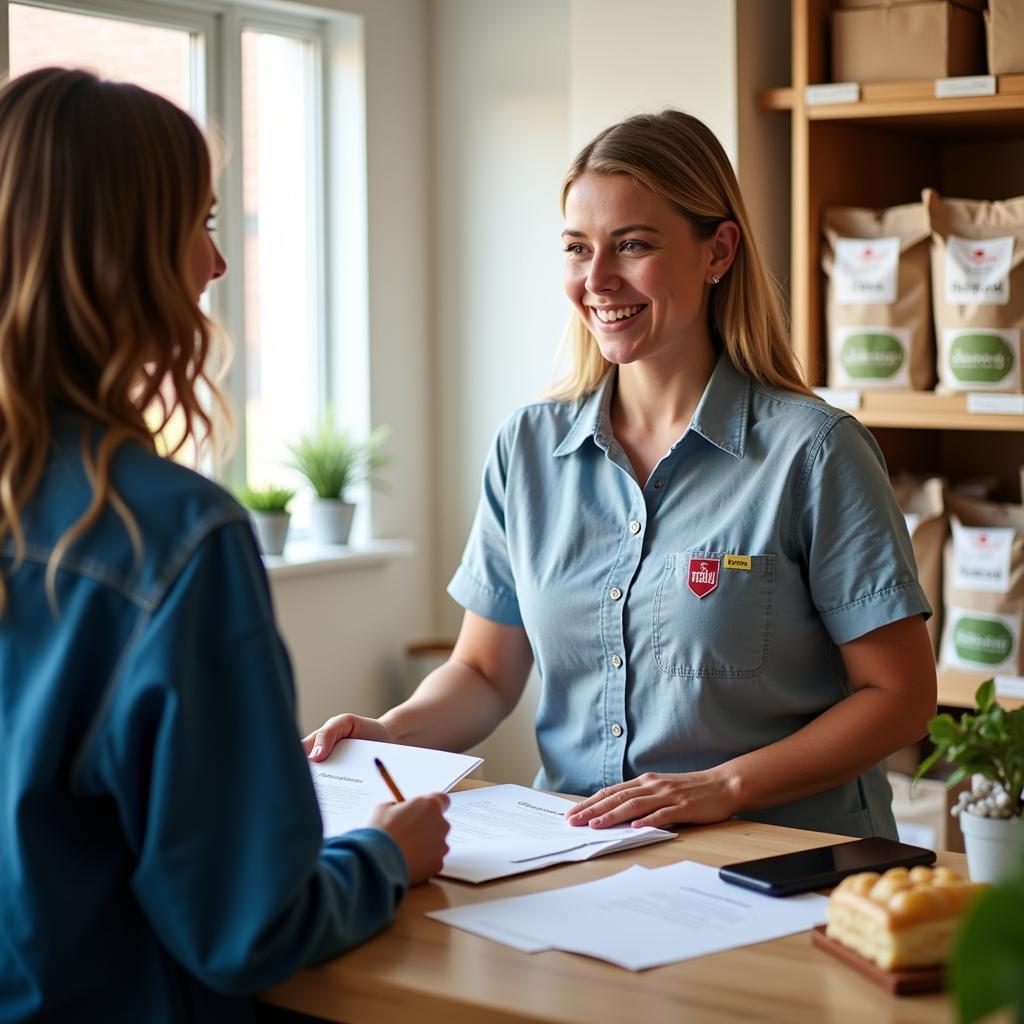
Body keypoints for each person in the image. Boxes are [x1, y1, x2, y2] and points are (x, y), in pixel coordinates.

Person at [305, 110, 936, 840]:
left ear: (718, 251)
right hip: (577, 852)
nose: (597, 280)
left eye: (632, 245)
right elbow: (483, 673)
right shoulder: (528, 448)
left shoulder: (815, 452)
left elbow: (899, 694)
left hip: (785, 856)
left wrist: (723, 786)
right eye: (578, 249)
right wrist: (392, 732)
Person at [0, 68, 449, 1024]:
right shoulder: (173, 538)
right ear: (122, 257)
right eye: (199, 225)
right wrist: (383, 855)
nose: (217, 265)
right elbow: (248, 926)